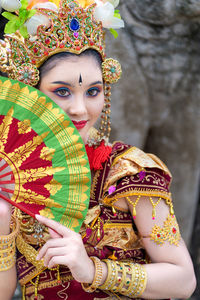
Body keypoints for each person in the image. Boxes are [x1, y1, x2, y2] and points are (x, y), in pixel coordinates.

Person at [0, 0, 196, 299]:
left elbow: (183, 281)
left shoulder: (130, 172)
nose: (80, 109)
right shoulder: (11, 178)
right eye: (62, 91)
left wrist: (92, 270)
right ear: (31, 94)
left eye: (93, 91)